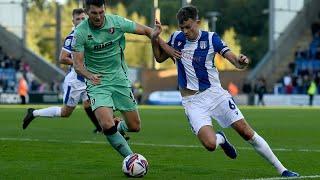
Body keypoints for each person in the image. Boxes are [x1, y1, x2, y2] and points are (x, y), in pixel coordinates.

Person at [150, 6, 299, 177]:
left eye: (188, 27)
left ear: (197, 23)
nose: (185, 31)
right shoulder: (176, 38)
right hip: (192, 102)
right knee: (210, 144)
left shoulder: (211, 38)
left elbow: (234, 60)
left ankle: (283, 170)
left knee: (246, 131)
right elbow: (160, 58)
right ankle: (220, 138)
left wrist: (241, 61)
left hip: (215, 94)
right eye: (182, 27)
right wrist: (155, 39)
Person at [71, 0, 178, 158]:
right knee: (105, 123)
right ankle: (130, 158)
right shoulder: (80, 32)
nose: (99, 17)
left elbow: (149, 31)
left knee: (134, 126)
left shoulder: (117, 22)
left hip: (119, 79)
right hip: (97, 83)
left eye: (101, 12)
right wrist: (89, 76)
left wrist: (165, 45)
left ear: (105, 9)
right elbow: (77, 65)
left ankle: (117, 128)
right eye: (94, 13)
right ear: (87, 12)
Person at [22, 8, 103, 134]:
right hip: (75, 81)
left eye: (83, 18)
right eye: (78, 19)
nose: (81, 21)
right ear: (73, 21)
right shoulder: (72, 38)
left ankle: (105, 128)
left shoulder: (91, 33)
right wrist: (79, 63)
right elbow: (62, 58)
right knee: (65, 112)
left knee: (95, 104)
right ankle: (33, 113)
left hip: (88, 79)